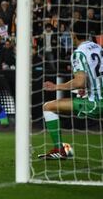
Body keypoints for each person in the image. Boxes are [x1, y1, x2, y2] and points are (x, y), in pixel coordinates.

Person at [40, 27, 102, 160]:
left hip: (96, 103)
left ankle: (60, 149)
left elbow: (79, 82)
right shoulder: (99, 48)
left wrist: (56, 86)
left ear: (74, 35)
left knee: (48, 107)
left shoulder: (79, 53)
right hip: (98, 96)